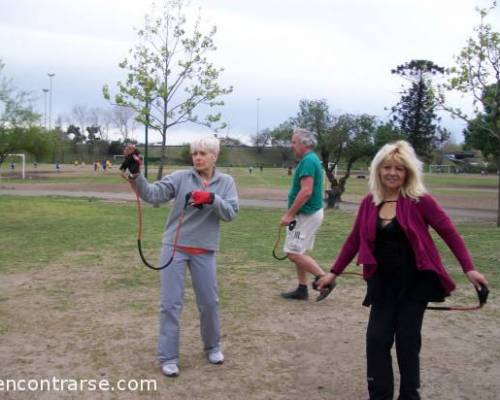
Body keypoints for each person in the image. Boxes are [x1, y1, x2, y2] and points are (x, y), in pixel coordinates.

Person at [316, 140, 488, 400]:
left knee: (407, 343)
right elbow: (354, 240)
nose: (392, 173)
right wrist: (333, 272)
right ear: (378, 170)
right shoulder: (369, 203)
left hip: (414, 283)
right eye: (387, 167)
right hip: (381, 284)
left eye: (399, 168)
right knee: (377, 340)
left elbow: (449, 232)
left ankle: (410, 395)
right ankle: (380, 394)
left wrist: (469, 269)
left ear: (408, 172)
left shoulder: (420, 201)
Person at [122, 136, 239, 378]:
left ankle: (212, 346)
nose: (197, 157)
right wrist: (137, 175)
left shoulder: (226, 182)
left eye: (203, 153)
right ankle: (168, 357)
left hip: (204, 250)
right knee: (170, 304)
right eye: (195, 153)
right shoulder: (180, 177)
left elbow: (231, 213)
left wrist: (212, 199)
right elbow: (153, 195)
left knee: (209, 303)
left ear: (214, 156)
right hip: (175, 248)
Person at [280, 128, 333, 302]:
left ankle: (325, 279)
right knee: (298, 251)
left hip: (306, 214)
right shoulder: (309, 160)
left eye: (294, 142)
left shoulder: (309, 161)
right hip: (308, 214)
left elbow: (306, 191)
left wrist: (289, 214)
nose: (291, 146)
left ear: (304, 143)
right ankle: (302, 288)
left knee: (293, 253)